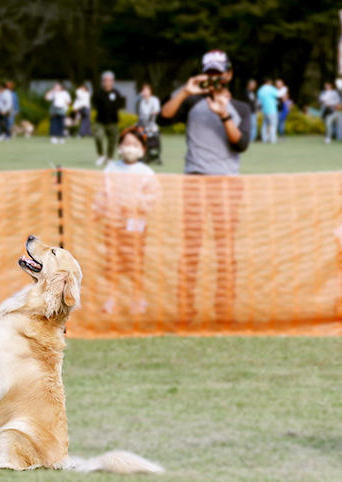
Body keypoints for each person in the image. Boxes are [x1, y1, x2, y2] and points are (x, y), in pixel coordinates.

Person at [158, 49, 251, 324]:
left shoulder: (241, 107)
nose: (214, 78)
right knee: (191, 247)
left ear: (229, 74)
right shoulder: (191, 103)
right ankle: (186, 309)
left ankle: (225, 309)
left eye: (219, 73)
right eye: (209, 73)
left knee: (225, 248)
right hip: (195, 182)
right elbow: (163, 118)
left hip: (226, 184)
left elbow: (241, 143)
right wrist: (186, 92)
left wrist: (224, 114)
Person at [94, 125, 159, 315]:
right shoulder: (111, 168)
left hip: (136, 226)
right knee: (112, 264)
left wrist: (138, 204)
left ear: (142, 149)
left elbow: (153, 198)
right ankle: (111, 299)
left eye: (134, 144)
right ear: (120, 146)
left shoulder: (146, 172)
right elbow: (102, 193)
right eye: (126, 143)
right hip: (113, 225)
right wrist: (97, 210)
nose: (129, 147)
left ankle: (138, 299)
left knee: (135, 264)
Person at [93, 70, 125, 166]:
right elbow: (95, 104)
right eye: (105, 80)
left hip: (113, 121)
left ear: (112, 81)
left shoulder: (116, 93)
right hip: (100, 121)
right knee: (98, 136)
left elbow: (120, 105)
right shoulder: (98, 93)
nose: (107, 82)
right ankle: (101, 155)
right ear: (102, 81)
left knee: (113, 140)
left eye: (109, 80)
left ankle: (109, 157)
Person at [135, 83, 162, 163]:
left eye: (147, 90)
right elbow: (139, 113)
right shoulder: (140, 101)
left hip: (151, 125)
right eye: (143, 90)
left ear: (150, 91)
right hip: (142, 125)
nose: (145, 92)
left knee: (155, 139)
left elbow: (156, 110)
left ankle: (155, 156)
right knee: (139, 137)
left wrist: (153, 113)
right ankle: (141, 155)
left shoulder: (154, 100)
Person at [257, 78, 279, 144]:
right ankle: (273, 139)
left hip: (264, 110)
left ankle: (264, 139)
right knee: (273, 124)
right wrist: (284, 88)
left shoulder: (260, 90)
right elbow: (278, 94)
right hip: (272, 110)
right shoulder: (270, 88)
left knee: (264, 125)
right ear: (269, 82)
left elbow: (259, 102)